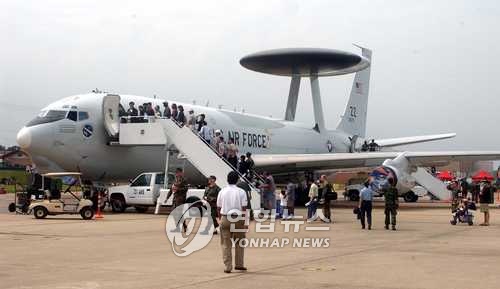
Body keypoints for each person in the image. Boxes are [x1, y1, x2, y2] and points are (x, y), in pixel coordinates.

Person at [217, 171, 248, 273]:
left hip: (225, 217)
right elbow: (244, 208)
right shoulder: (241, 192)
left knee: (226, 243)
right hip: (238, 218)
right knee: (239, 242)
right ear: (237, 180)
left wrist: (220, 218)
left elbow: (218, 207)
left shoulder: (222, 191)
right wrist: (245, 222)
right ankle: (239, 264)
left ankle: (228, 266)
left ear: (227, 179)